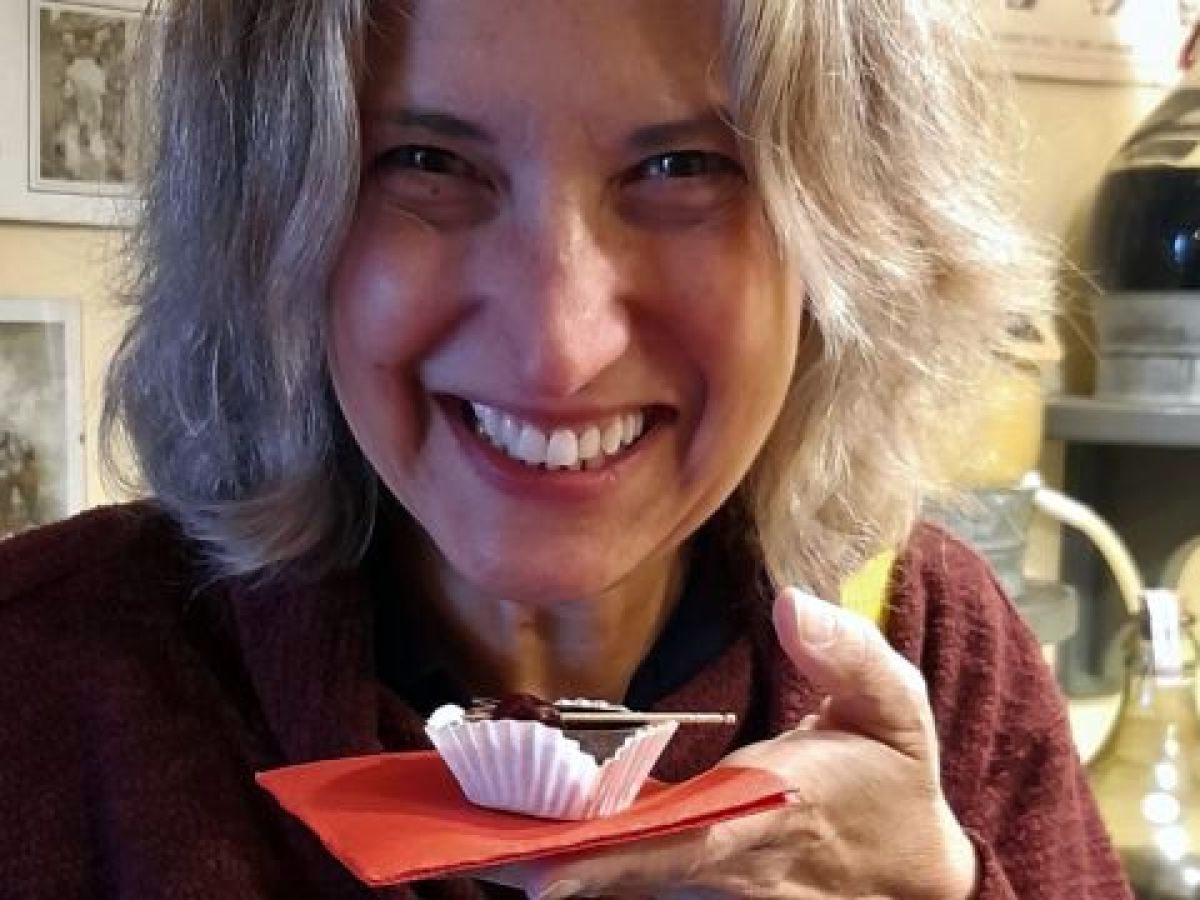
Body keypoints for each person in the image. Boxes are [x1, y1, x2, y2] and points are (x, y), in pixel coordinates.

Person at [0, 1, 1131, 897]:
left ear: (847, 233)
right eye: (428, 161)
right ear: (274, 217)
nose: (558, 351)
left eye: (685, 167)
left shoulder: (937, 651)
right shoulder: (47, 680)